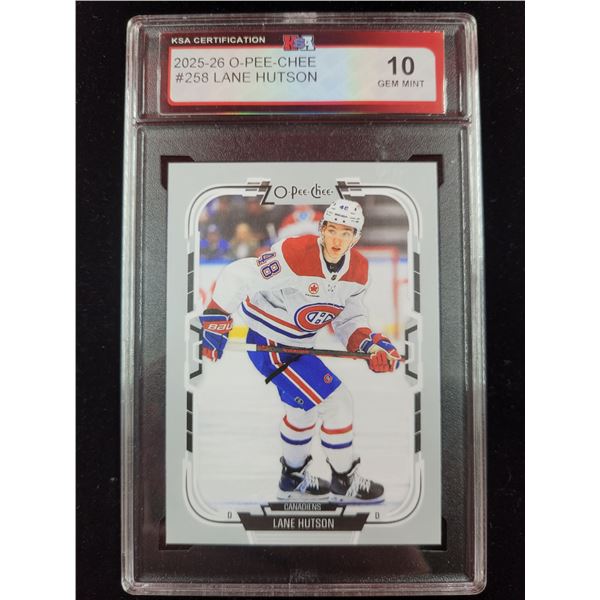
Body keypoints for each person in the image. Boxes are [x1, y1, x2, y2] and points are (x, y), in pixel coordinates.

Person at [198, 200, 402, 503]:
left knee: (302, 412)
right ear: (322, 229)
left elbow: (349, 321)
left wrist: (369, 345)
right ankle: (344, 480)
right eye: (332, 230)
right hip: (270, 345)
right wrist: (217, 316)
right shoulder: (295, 253)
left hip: (300, 346)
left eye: (346, 233)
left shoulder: (359, 270)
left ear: (356, 237)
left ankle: (292, 480)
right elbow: (240, 273)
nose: (337, 240)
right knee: (338, 402)